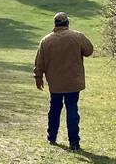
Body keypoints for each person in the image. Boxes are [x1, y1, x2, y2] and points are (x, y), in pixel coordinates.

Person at [33, 12, 94, 150]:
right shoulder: (77, 36)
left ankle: (52, 137)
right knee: (72, 110)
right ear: (67, 23)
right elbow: (89, 50)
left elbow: (39, 62)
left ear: (55, 24)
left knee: (54, 109)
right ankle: (74, 142)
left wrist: (38, 77)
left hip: (55, 83)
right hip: (73, 81)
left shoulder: (46, 40)